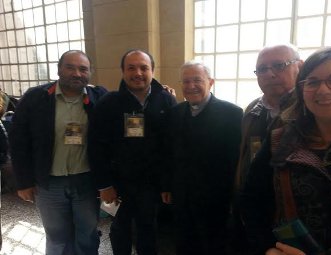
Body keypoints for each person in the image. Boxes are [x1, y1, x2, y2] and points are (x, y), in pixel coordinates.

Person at [242, 47, 331, 255]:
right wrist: (267, 248)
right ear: (302, 89)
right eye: (312, 82)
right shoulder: (281, 139)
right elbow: (253, 199)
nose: (323, 90)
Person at [9, 50, 107, 255]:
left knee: (87, 233)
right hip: (49, 183)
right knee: (56, 236)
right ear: (59, 69)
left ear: (90, 73)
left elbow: (126, 103)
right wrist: (24, 181)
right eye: (70, 67)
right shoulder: (35, 97)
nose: (77, 73)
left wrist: (162, 92)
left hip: (86, 182)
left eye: (83, 69)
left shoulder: (99, 98)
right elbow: (18, 141)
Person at [87, 49, 177, 255]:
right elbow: (96, 146)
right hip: (118, 184)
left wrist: (167, 183)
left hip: (152, 184)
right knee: (120, 230)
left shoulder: (166, 101)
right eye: (131, 68)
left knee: (149, 229)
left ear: (152, 70)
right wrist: (104, 184)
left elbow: (171, 146)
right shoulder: (108, 103)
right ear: (123, 71)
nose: (138, 73)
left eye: (144, 67)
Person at [162, 61, 243, 255]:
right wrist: (166, 185)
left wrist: (234, 196)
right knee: (184, 243)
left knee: (214, 245)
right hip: (182, 195)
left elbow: (235, 160)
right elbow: (168, 152)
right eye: (186, 81)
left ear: (211, 82)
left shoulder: (232, 114)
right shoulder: (175, 113)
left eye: (197, 80)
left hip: (216, 198)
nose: (191, 86)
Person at [235, 44, 303, 190]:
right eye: (262, 69)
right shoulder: (253, 109)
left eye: (279, 65)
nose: (269, 74)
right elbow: (244, 158)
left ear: (300, 67)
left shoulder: (309, 109)